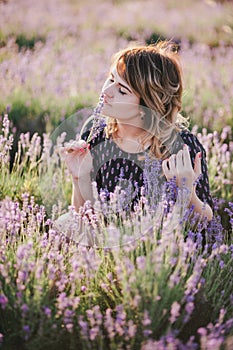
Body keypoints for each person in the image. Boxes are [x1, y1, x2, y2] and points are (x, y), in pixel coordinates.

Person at [57, 41, 213, 241]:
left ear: (147, 105)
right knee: (65, 223)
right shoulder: (95, 131)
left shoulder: (182, 146)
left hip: (159, 249)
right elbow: (83, 217)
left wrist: (187, 192)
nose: (107, 91)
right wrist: (79, 178)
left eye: (122, 90)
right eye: (111, 79)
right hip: (110, 242)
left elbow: (205, 225)